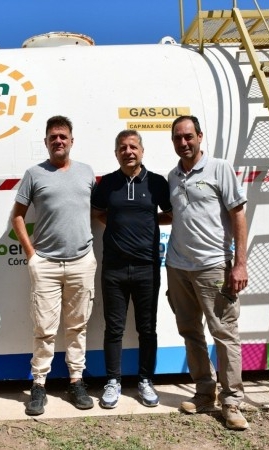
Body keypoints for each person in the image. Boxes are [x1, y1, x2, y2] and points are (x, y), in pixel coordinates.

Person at [164, 115, 250, 430]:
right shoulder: (173, 176)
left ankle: (232, 402)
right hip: (178, 267)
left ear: (200, 136)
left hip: (213, 265)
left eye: (188, 136)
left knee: (224, 334)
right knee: (190, 331)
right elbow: (176, 215)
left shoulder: (219, 168)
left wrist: (240, 263)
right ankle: (204, 392)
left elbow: (238, 214)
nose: (183, 142)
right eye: (178, 138)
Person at [10, 115, 97, 416]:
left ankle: (76, 381)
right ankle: (39, 385)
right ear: (46, 142)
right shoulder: (34, 174)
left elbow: (98, 211)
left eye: (63, 136)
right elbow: (17, 216)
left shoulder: (87, 173)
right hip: (45, 263)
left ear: (71, 140)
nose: (58, 141)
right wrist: (31, 255)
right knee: (44, 329)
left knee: (77, 326)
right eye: (53, 137)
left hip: (81, 262)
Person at [90, 130, 172, 409]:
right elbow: (97, 212)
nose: (128, 151)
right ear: (116, 153)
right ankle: (113, 381)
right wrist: (116, 225)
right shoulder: (107, 183)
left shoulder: (157, 182)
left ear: (142, 151)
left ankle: (145, 380)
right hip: (113, 268)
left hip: (147, 267)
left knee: (147, 329)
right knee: (114, 329)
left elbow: (171, 213)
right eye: (122, 148)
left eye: (133, 146)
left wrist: (148, 221)